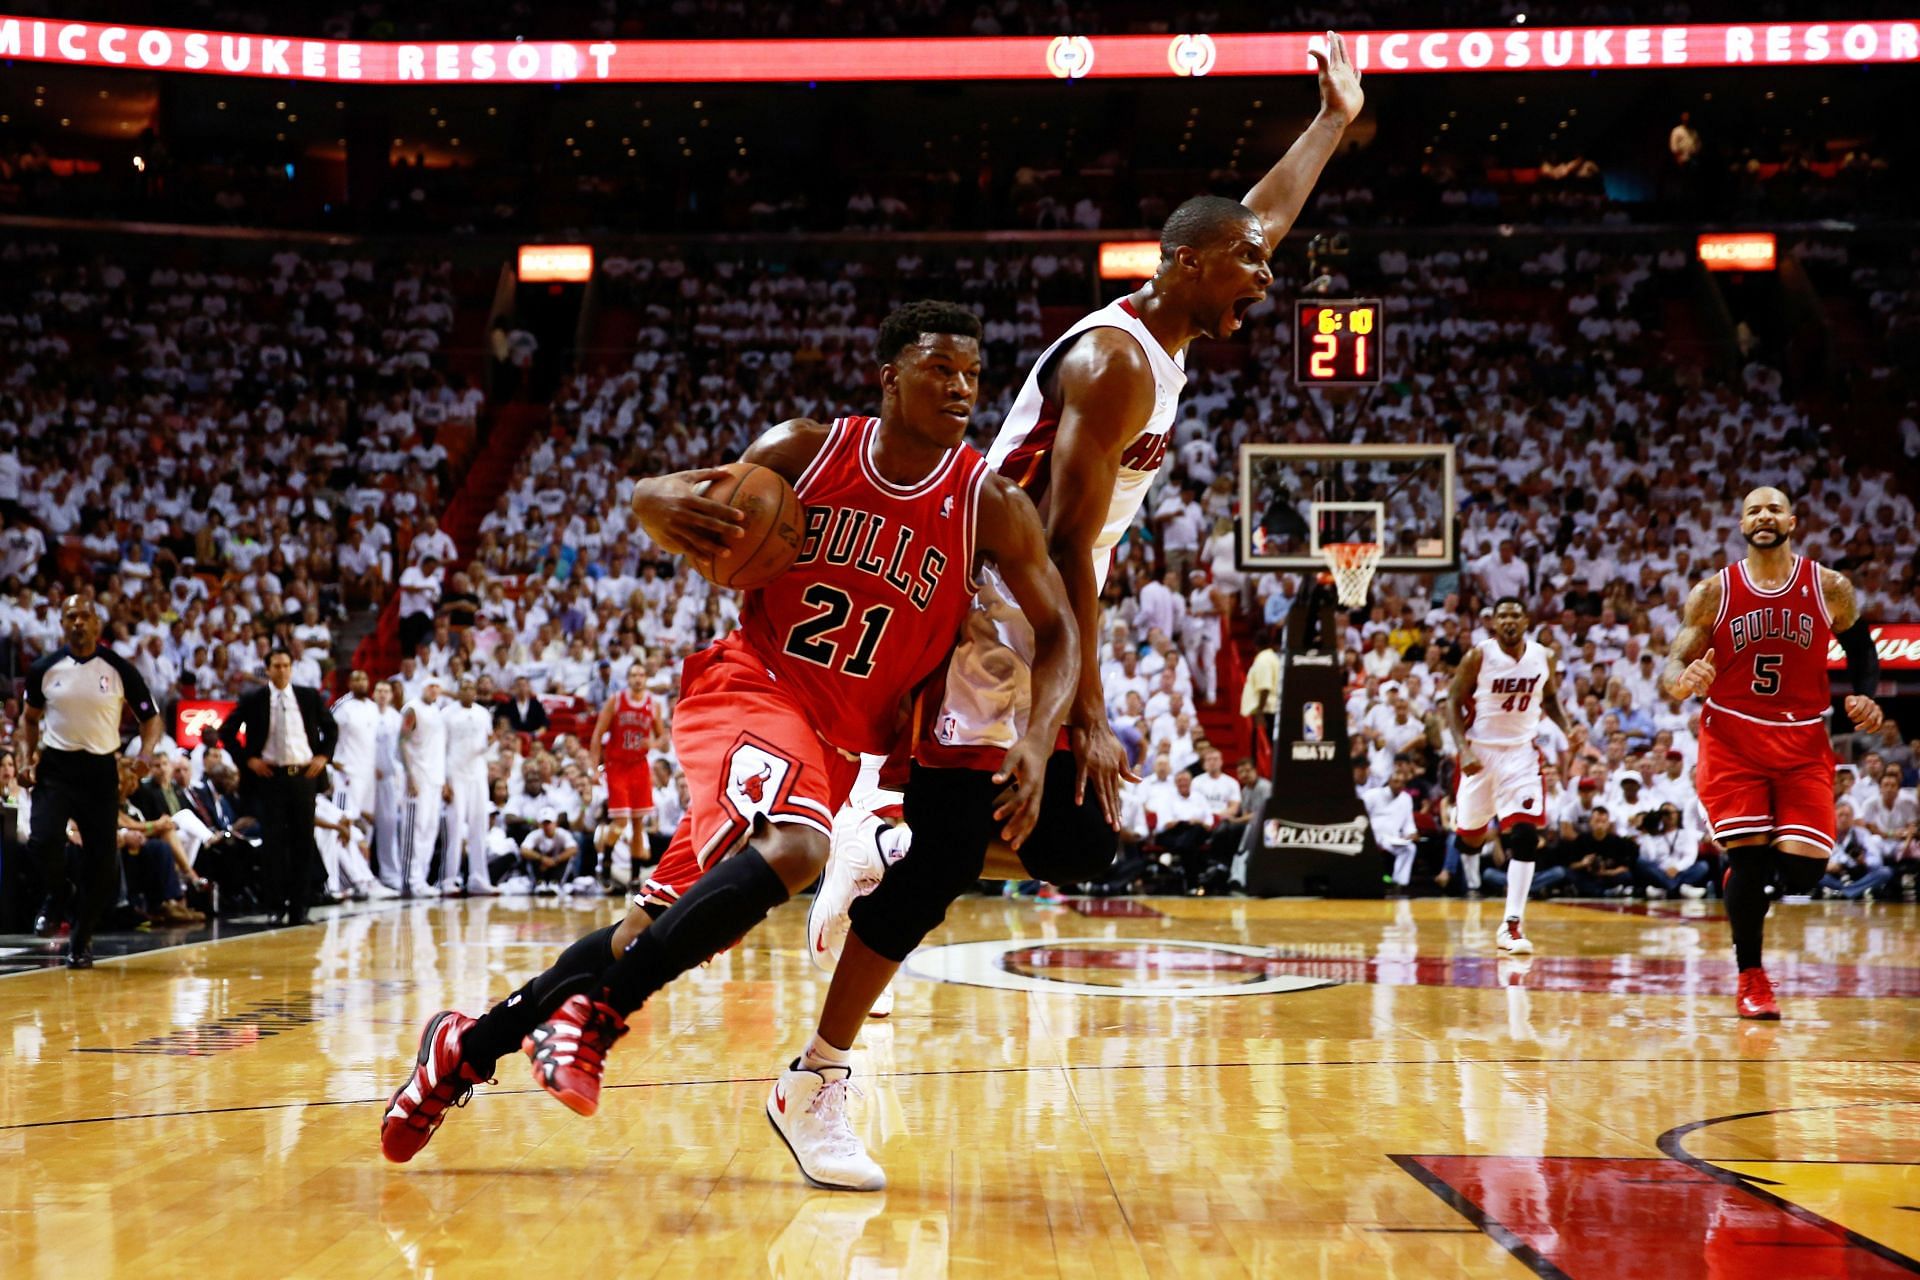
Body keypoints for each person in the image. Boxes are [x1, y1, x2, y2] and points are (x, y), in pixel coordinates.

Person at [787, 33, 1369, 1190]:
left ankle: (886, 834)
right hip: (996, 608)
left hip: (1027, 604)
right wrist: (1082, 707)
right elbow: (1057, 549)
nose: (1269, 277)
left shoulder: (1166, 319)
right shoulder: (1115, 365)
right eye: (1251, 267)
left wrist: (1333, 123)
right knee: (963, 847)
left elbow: (1259, 212)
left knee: (1076, 838)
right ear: (1197, 263)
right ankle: (819, 1064)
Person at [379, 301, 1077, 1175]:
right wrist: (650, 495)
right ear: (890, 375)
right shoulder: (805, 450)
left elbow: (1062, 632)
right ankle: (596, 1017)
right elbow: (670, 498)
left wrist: (1041, 731)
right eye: (941, 369)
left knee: (651, 927)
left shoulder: (989, 504)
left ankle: (466, 1046)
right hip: (752, 684)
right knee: (799, 848)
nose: (963, 388)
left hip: (836, 741)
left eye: (973, 374)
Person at [1660, 486, 1883, 1019]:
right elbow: (1671, 666)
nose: (1764, 516)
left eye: (1773, 509)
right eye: (1753, 510)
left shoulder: (1829, 587)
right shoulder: (1712, 593)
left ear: (1792, 521)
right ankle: (1751, 975)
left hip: (1804, 737)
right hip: (1733, 737)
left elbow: (1861, 648)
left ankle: (1747, 882)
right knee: (1750, 858)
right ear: (1741, 525)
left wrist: (1865, 692)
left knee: (1806, 872)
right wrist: (1684, 680)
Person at [20, 595, 164, 966]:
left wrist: (145, 755)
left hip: (101, 772)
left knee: (102, 864)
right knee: (43, 840)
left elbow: (151, 718)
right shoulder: (44, 668)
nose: (78, 622)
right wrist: (27, 757)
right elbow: (30, 717)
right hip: (56, 768)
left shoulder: (118, 667)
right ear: (62, 624)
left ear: (97, 623)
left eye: (85, 615)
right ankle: (58, 893)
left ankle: (81, 938)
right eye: (71, 616)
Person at [1445, 596, 1572, 954]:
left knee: (1525, 835)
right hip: (1480, 753)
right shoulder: (1478, 656)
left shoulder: (1543, 656)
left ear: (1526, 619)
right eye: (1502, 616)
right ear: (1494, 623)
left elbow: (1549, 700)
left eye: (1515, 614)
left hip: (1521, 753)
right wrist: (1463, 749)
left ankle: (1511, 925)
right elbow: (1453, 702)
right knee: (1468, 839)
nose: (1509, 620)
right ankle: (1474, 840)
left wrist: (1567, 728)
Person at [218, 647, 339, 926]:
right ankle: (275, 906)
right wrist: (249, 760)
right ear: (268, 669)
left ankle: (300, 908)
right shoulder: (255, 699)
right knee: (274, 844)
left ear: (291, 667)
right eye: (277, 666)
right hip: (271, 777)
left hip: (304, 777)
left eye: (286, 665)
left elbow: (331, 728)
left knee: (303, 843)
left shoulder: (308, 697)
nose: (282, 670)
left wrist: (323, 756)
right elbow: (227, 732)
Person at [588, 663, 662, 872]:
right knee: (621, 821)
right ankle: (607, 858)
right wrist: (594, 768)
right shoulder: (616, 700)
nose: (637, 678)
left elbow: (663, 736)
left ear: (646, 678)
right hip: (617, 765)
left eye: (641, 674)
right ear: (628, 679)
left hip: (639, 766)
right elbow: (597, 735)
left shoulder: (654, 704)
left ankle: (634, 876)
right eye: (633, 675)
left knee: (639, 824)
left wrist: (653, 744)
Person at [440, 678, 496, 896]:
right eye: (464, 687)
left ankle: (478, 878)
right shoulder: (447, 714)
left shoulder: (483, 713)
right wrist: (444, 781)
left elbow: (485, 743)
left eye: (471, 688)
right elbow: (441, 748)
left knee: (479, 825)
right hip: (455, 775)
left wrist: (491, 742)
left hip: (478, 774)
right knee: (454, 828)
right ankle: (448, 879)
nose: (468, 691)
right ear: (458, 691)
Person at [396, 675, 449, 897]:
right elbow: (401, 741)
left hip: (435, 778)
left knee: (430, 828)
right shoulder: (412, 709)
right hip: (417, 776)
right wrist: (409, 775)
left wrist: (444, 780)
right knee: (414, 828)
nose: (434, 690)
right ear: (422, 688)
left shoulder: (438, 712)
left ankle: (422, 878)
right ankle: (409, 880)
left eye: (438, 686)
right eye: (430, 686)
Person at [331, 669, 382, 839]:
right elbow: (329, 733)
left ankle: (362, 864)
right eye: (357, 679)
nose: (361, 683)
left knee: (367, 821)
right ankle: (339, 864)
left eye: (364, 679)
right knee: (346, 819)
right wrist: (333, 760)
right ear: (350, 683)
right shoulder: (343, 705)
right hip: (348, 771)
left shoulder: (373, 707)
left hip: (368, 773)